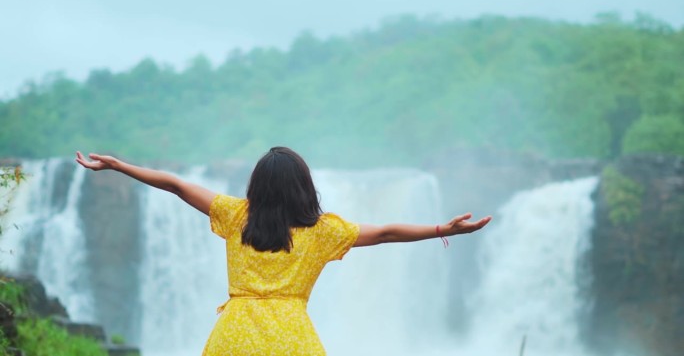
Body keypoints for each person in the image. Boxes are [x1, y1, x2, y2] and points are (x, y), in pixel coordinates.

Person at [75, 147, 491, 356]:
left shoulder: (236, 215)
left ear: (257, 185)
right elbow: (385, 232)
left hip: (234, 337)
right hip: (293, 340)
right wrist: (440, 228)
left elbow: (176, 185)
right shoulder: (322, 231)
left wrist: (118, 166)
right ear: (305, 186)